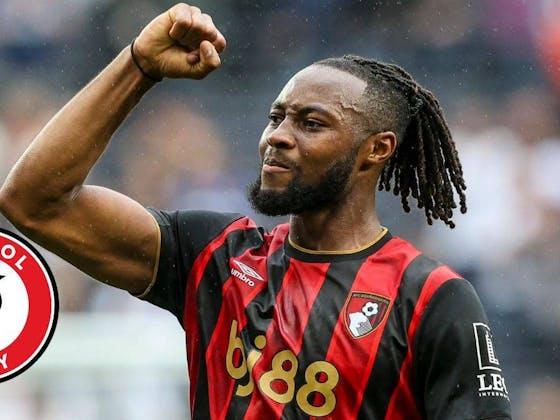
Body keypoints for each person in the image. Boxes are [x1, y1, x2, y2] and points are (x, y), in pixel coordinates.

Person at [0, 3, 511, 419]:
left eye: (311, 123)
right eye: (275, 117)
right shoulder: (216, 258)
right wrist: (138, 66)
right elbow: (35, 201)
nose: (278, 137)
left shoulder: (430, 298)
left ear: (376, 150)